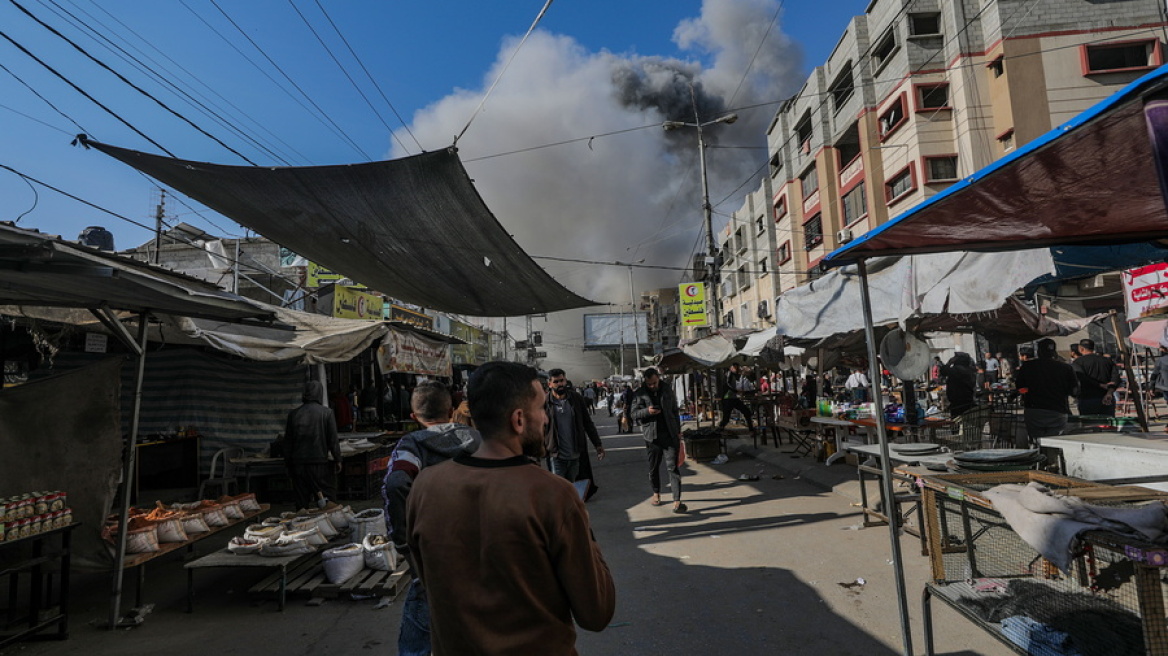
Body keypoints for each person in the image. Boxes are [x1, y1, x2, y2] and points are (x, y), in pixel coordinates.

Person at [406, 361, 616, 655]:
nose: (545, 419)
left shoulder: (425, 487)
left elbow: (427, 580)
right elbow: (596, 613)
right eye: (541, 409)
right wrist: (588, 538)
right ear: (519, 420)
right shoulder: (554, 496)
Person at [383, 382, 482, 656]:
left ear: (414, 417)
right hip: (482, 561)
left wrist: (405, 544)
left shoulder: (412, 445)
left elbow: (396, 484)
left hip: (433, 564)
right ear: (451, 411)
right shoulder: (478, 441)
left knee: (419, 646)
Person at [629, 367, 687, 514]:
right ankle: (656, 493)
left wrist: (678, 431)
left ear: (659, 378)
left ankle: (677, 501)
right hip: (652, 437)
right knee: (653, 468)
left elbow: (674, 411)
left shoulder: (667, 389)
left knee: (672, 467)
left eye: (654, 383)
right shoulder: (639, 393)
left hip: (670, 434)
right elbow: (633, 414)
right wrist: (647, 412)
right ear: (645, 382)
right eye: (649, 384)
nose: (652, 386)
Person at [283, 380, 341, 510]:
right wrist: (338, 459)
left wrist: (288, 464)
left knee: (301, 500)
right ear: (319, 393)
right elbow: (333, 440)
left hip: (298, 464)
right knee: (325, 498)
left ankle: (301, 526)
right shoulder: (327, 413)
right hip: (319, 463)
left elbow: (288, 442)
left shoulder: (294, 414)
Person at [544, 368, 605, 482]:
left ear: (565, 381)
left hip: (575, 454)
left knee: (573, 487)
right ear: (550, 384)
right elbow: (539, 428)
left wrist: (597, 444)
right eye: (556, 382)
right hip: (556, 455)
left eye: (561, 380)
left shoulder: (576, 399)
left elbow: (587, 423)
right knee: (559, 489)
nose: (560, 384)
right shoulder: (545, 402)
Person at [1015, 338, 1079, 440]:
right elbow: (1074, 391)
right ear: (1054, 352)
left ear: (1038, 352)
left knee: (1036, 441)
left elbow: (1020, 387)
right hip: (1057, 410)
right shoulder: (1066, 368)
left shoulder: (1027, 366)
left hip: (1034, 410)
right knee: (1056, 441)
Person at [1072, 338, 1121, 416]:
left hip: (1087, 399)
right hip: (1106, 397)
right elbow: (1116, 378)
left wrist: (1099, 385)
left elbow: (1081, 378)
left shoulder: (1078, 362)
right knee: (1108, 424)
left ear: (1081, 349)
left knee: (1089, 425)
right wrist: (1109, 392)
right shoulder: (1107, 361)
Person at [717, 363, 756, 434]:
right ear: (730, 368)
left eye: (737, 367)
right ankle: (719, 431)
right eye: (735, 367)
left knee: (746, 412)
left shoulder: (735, 375)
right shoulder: (728, 374)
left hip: (733, 398)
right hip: (728, 399)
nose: (737, 369)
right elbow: (727, 384)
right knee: (726, 418)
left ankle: (751, 430)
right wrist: (736, 391)